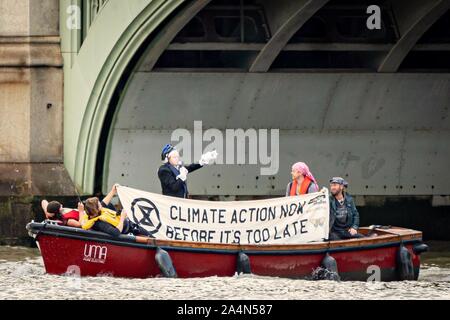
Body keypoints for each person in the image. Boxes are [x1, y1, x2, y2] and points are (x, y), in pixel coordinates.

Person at [80, 184, 151, 238]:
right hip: (129, 230)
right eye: (99, 205)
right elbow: (116, 233)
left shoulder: (94, 213)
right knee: (150, 237)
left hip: (131, 224)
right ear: (96, 210)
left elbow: (104, 203)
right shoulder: (100, 223)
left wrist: (113, 190)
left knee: (109, 205)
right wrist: (122, 218)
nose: (101, 205)